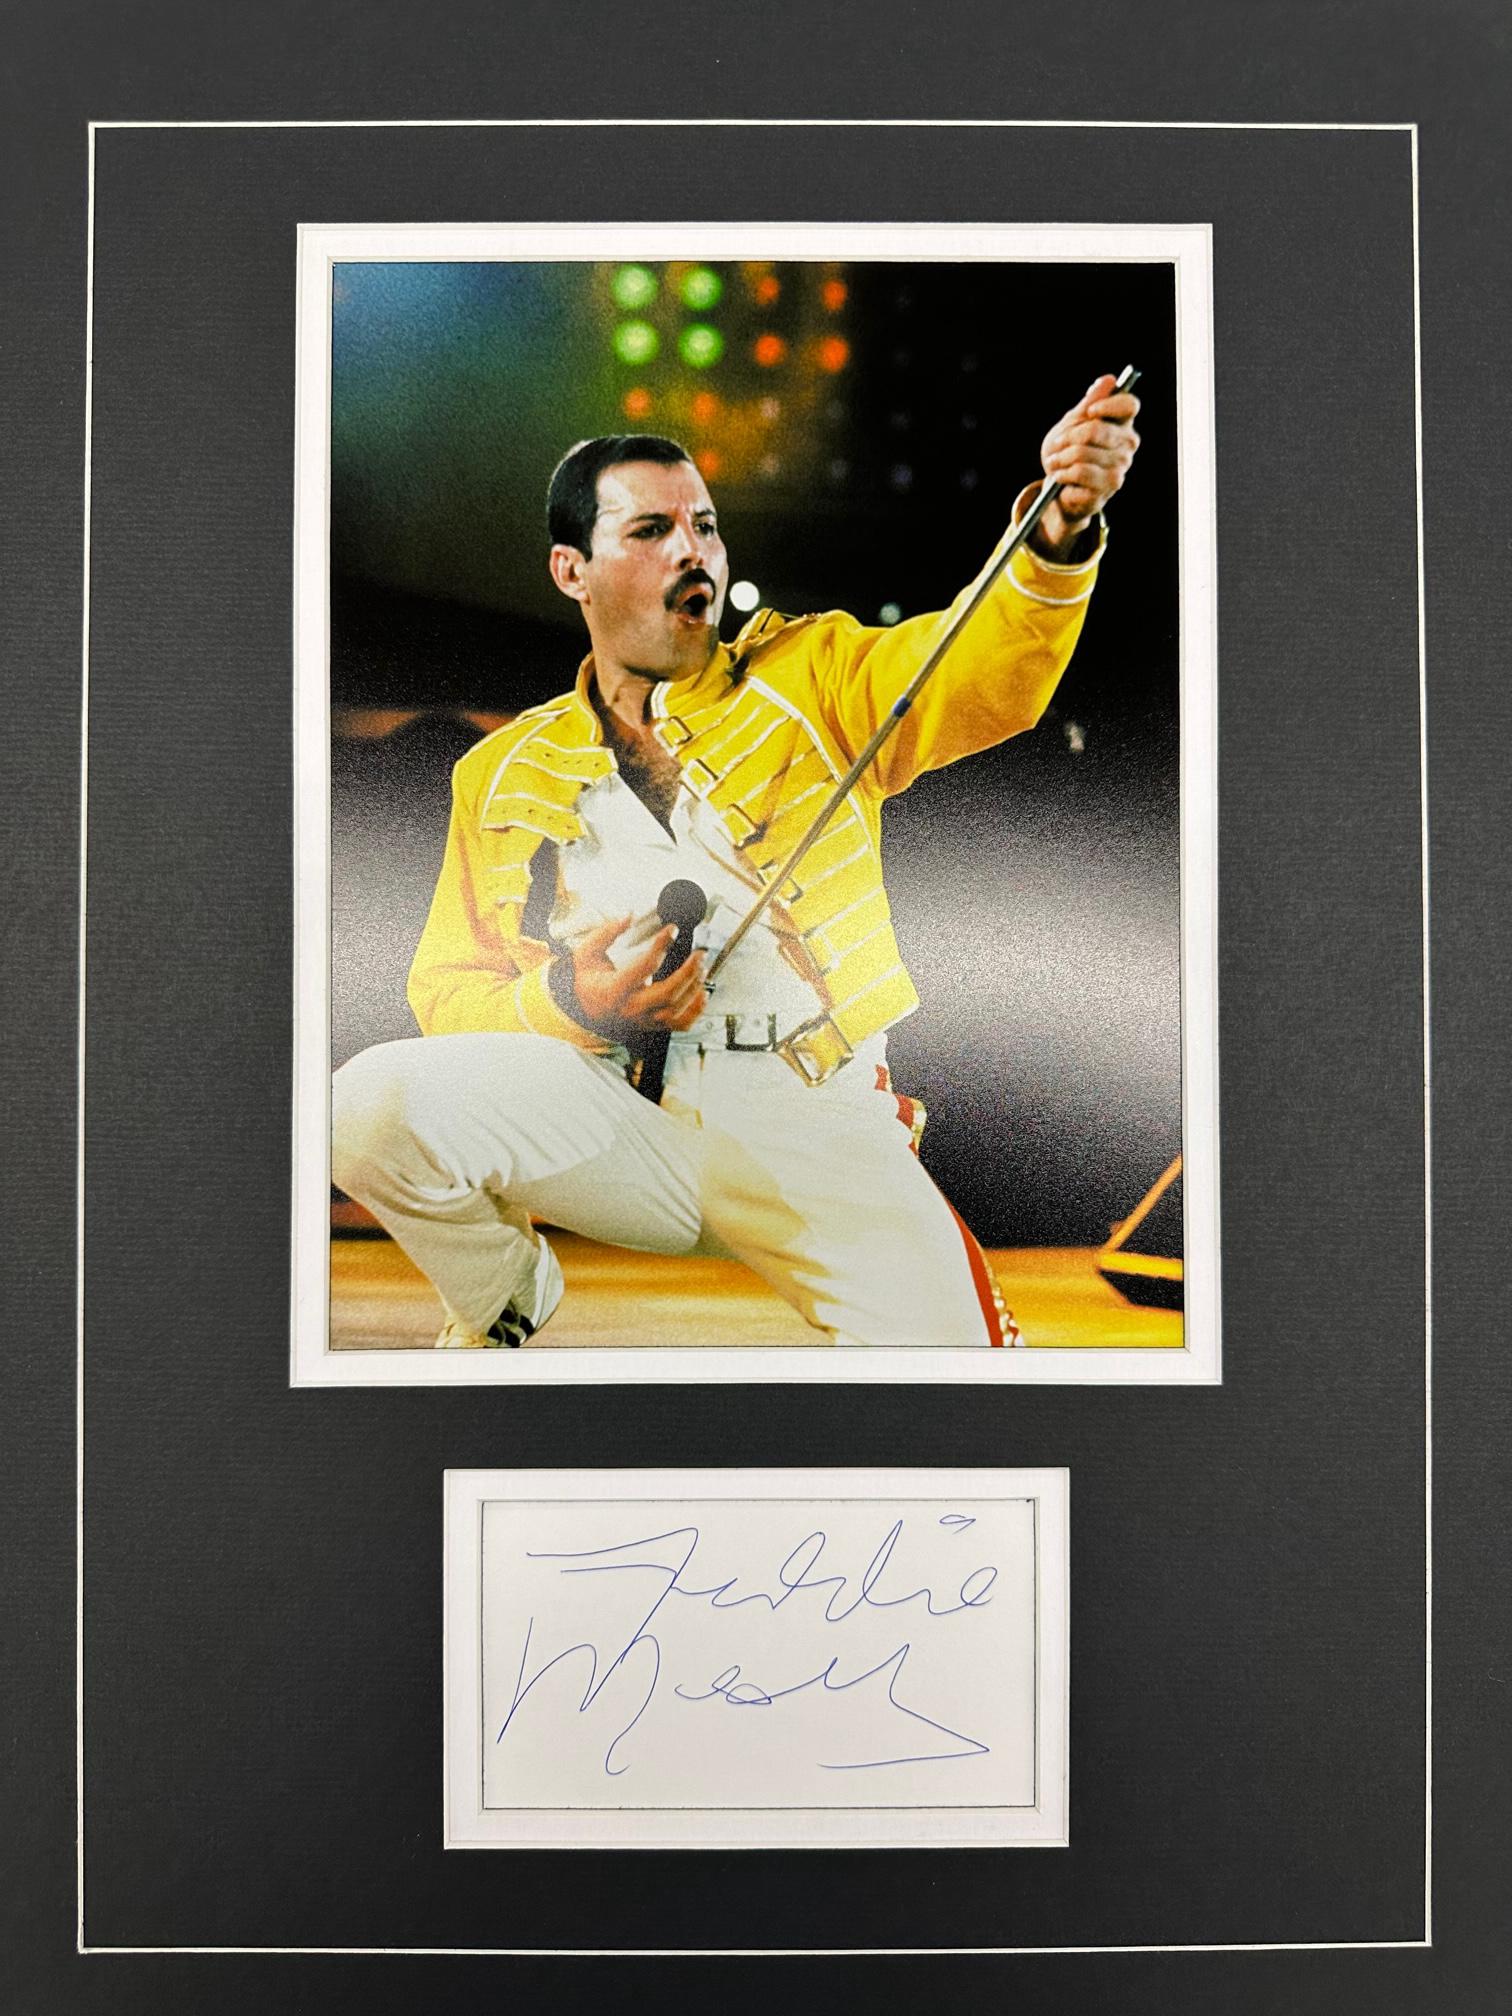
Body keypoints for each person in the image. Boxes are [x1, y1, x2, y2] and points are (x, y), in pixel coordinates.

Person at [332, 374, 1141, 1348]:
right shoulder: (498, 771)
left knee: (969, 1386)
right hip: (615, 1120)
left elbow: (981, 676)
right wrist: (575, 1000)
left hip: (812, 1126)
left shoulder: (815, 673)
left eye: (705, 527)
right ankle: (505, 1293)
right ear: (571, 569)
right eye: (650, 529)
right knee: (365, 1104)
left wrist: (1058, 530)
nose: (693, 550)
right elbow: (447, 994)